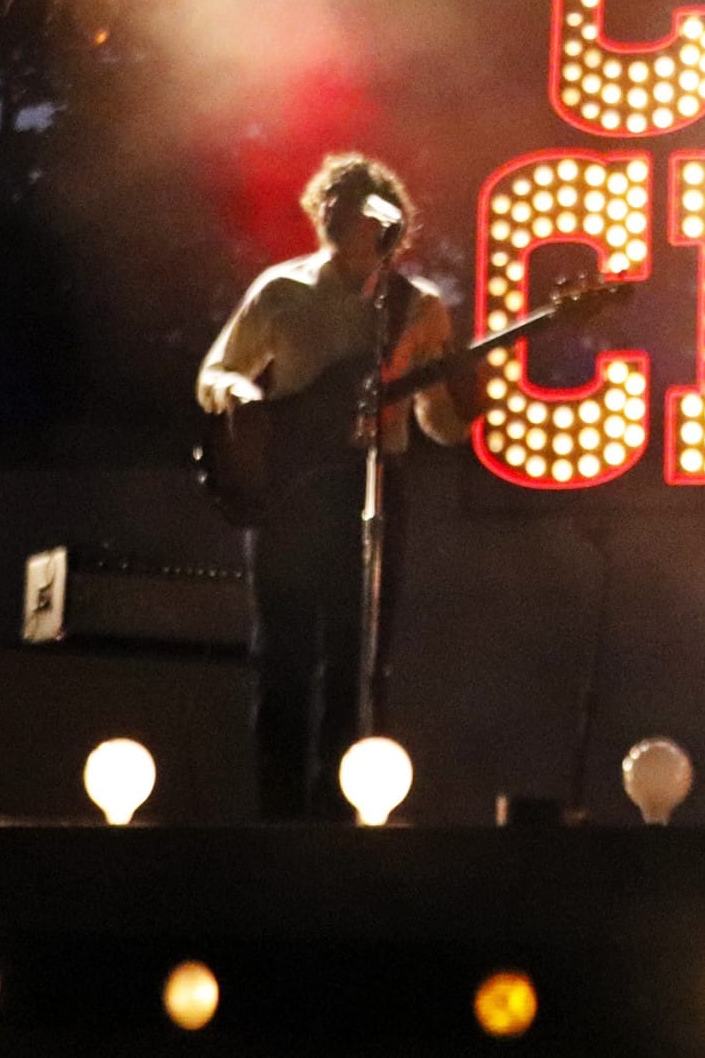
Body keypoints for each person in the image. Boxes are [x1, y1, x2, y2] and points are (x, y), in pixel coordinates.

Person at [197, 153, 488, 819]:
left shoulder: (419, 307)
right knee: (281, 658)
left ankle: (339, 819)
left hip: (374, 488)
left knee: (358, 663)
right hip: (288, 495)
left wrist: (467, 400)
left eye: (350, 205)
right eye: (327, 202)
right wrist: (239, 392)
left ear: (382, 221)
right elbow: (215, 370)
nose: (333, 214)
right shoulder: (281, 288)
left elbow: (439, 426)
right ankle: (276, 819)